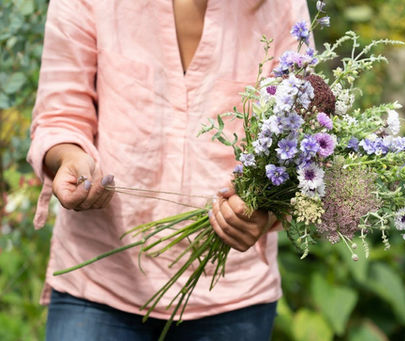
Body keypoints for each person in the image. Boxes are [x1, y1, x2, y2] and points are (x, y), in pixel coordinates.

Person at [27, 0, 312, 340]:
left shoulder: (282, 7)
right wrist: (70, 159)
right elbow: (60, 114)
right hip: (99, 281)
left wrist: (260, 215)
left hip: (232, 296)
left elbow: (300, 140)